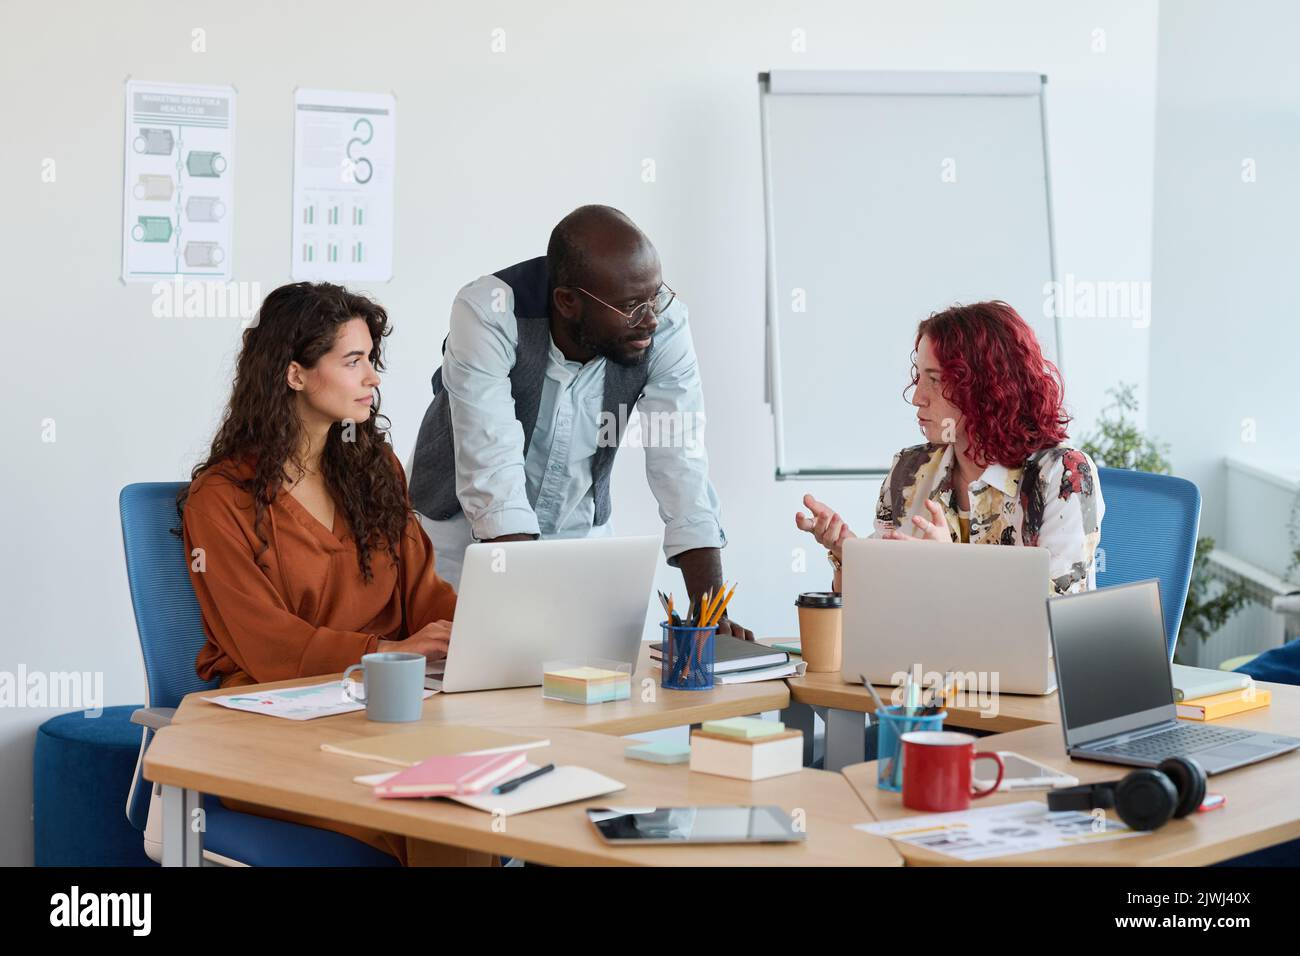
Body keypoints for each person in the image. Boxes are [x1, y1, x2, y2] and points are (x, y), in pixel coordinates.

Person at [178, 281, 457, 863]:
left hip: (386, 715)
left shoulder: (373, 468)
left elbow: (425, 593)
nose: (373, 378)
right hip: (274, 729)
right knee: (422, 820)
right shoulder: (220, 500)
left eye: (372, 361)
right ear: (295, 374)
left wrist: (482, 636)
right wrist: (388, 650)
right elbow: (266, 643)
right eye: (353, 361)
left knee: (480, 800)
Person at [408, 204, 752, 638]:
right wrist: (523, 619)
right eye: (630, 306)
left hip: (579, 537)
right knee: (480, 678)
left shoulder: (662, 325)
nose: (650, 319)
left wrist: (711, 616)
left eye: (656, 296)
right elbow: (493, 479)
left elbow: (680, 465)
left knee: (594, 686)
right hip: (462, 539)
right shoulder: (488, 312)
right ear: (567, 302)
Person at [796, 300, 1104, 597]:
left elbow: (1054, 622)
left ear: (987, 387)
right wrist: (850, 557)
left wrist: (954, 569)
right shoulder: (909, 470)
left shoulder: (1063, 475)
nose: (917, 397)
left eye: (934, 380)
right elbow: (876, 610)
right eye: (919, 376)